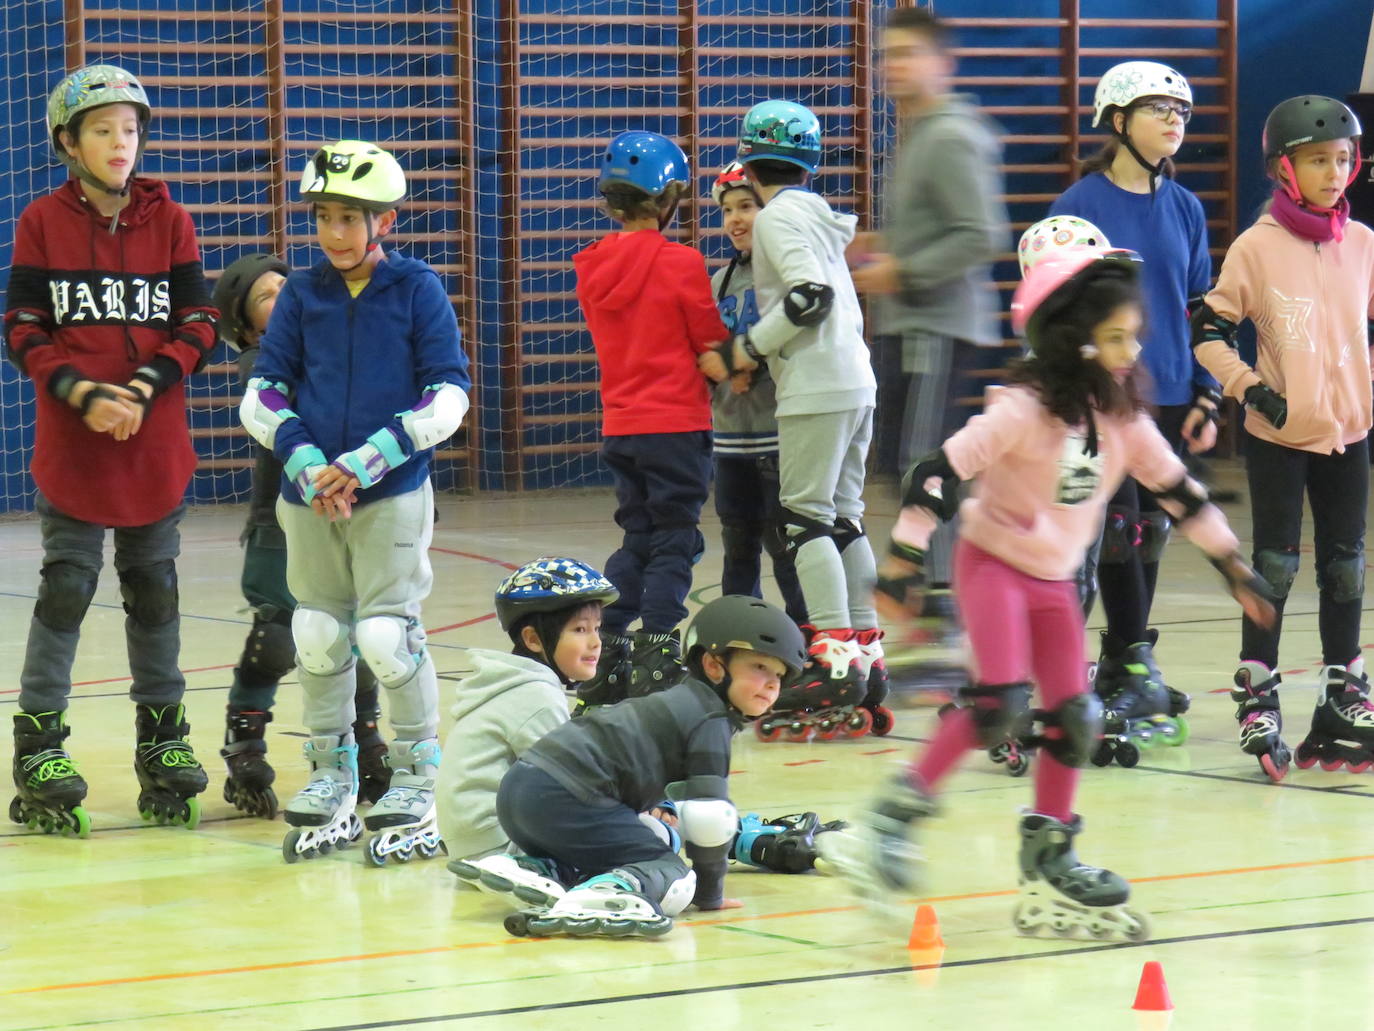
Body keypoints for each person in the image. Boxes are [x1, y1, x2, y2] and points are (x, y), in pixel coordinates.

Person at [826, 247, 1274, 941]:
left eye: (1135, 335)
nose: (1134, 349)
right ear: (1076, 337)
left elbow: (1179, 492)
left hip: (1052, 579)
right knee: (997, 703)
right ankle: (883, 826)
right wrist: (903, 560)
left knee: (1075, 716)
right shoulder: (1024, 410)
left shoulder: (1123, 418)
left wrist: (1233, 564)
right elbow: (937, 473)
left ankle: (1048, 862)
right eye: (1119, 335)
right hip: (994, 563)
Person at [239, 140, 470, 863]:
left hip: (389, 492)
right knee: (316, 631)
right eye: (325, 216)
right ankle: (331, 771)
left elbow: (448, 392)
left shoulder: (417, 289)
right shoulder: (302, 293)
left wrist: (369, 460)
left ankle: (414, 774)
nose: (336, 232)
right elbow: (266, 389)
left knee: (385, 636)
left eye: (351, 217)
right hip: (309, 495)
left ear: (386, 222)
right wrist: (307, 461)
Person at [5, 65, 217, 837]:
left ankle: (163, 739)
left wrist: (140, 389)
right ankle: (39, 744)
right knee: (66, 585)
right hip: (76, 440)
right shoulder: (42, 221)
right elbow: (22, 328)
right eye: (102, 130)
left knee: (153, 589)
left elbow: (199, 324)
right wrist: (85, 396)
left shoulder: (172, 220)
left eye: (129, 129)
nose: (119, 143)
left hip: (151, 439)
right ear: (69, 141)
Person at [443, 559, 841, 887]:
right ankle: (750, 841)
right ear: (533, 640)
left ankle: (742, 837)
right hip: (504, 846)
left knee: (660, 813)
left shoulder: (509, 684)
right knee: (660, 833)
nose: (597, 642)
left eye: (597, 628)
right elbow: (564, 786)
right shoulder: (535, 694)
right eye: (580, 630)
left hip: (479, 842)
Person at [1192, 95, 1374, 782]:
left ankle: (1343, 691)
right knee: (1275, 565)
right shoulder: (1257, 246)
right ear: (1284, 168)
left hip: (1349, 433)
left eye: (1344, 160)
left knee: (1345, 565)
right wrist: (1250, 389)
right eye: (1320, 160)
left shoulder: (1362, 246)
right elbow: (1206, 331)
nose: (1335, 172)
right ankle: (1259, 690)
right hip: (1277, 435)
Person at [1049, 60, 1219, 732]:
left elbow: (1201, 307)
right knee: (1118, 531)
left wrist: (1208, 392)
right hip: (1104, 396)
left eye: (1181, 111)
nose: (1175, 120)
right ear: (1117, 122)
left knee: (1151, 534)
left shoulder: (1185, 206)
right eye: (1158, 109)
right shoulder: (1080, 205)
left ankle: (1127, 663)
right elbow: (1051, 307)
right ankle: (1131, 661)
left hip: (1172, 391)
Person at [485, 595, 809, 939]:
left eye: (779, 674)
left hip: (519, 791)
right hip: (565, 797)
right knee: (675, 874)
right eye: (759, 667)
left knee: (649, 836)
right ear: (715, 666)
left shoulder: (679, 700)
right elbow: (709, 818)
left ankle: (538, 868)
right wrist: (709, 893)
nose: (773, 683)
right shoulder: (710, 719)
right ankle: (613, 890)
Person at [723, 98, 890, 741]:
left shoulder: (777, 220)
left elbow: (807, 298)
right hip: (857, 380)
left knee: (802, 517)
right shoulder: (814, 215)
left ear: (749, 158)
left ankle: (833, 655)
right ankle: (866, 651)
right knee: (843, 516)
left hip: (817, 385)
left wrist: (749, 346)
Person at [211, 253, 391, 819]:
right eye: (267, 297)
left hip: (348, 511)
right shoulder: (261, 360)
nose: (285, 298)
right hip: (281, 520)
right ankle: (245, 743)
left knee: (360, 636)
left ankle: (366, 739)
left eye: (287, 288)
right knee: (278, 638)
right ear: (244, 326)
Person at [850, 6, 1009, 641]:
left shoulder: (950, 134)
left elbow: (982, 234)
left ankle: (945, 601)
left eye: (908, 54)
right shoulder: (917, 135)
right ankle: (946, 585)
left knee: (923, 463)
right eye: (888, 55)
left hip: (937, 326)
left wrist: (902, 272)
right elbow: (934, 228)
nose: (893, 66)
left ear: (943, 63)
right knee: (897, 460)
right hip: (908, 321)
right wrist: (873, 242)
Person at [572, 131, 730, 705]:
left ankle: (610, 640)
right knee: (675, 539)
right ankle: (659, 646)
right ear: (668, 200)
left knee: (637, 534)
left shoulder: (591, 268)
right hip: (677, 426)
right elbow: (710, 343)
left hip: (621, 425)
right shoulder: (681, 263)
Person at [706, 161, 806, 624]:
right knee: (737, 548)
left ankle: (809, 639)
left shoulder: (784, 274)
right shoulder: (719, 283)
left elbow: (795, 339)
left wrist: (752, 362)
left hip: (778, 436)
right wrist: (720, 369)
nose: (735, 220)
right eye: (727, 210)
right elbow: (707, 351)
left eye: (746, 206)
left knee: (787, 550)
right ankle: (740, 635)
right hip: (730, 439)